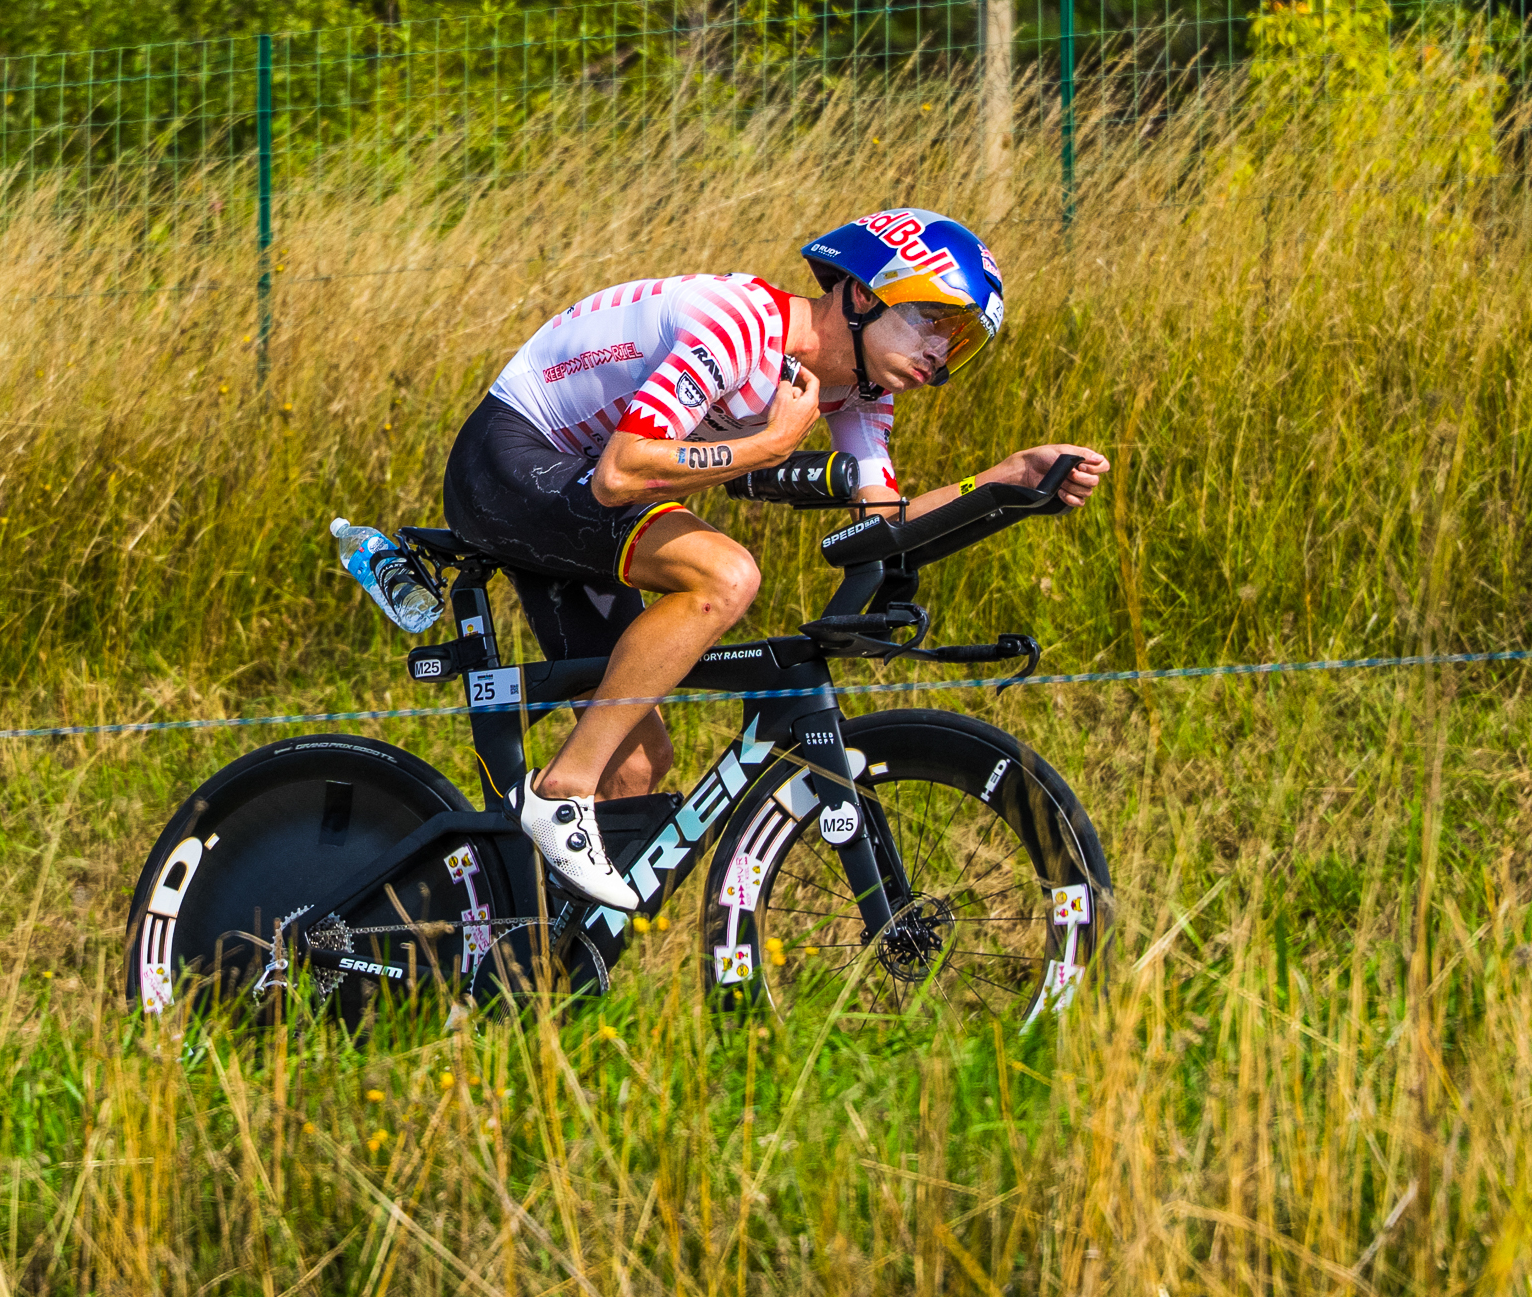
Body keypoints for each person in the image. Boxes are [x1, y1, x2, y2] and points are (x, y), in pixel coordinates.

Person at [441, 208, 1109, 911]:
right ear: (862, 293)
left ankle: (531, 954)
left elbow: (885, 527)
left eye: (958, 339)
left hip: (578, 489)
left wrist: (1005, 481)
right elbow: (620, 474)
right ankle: (560, 791)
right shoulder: (740, 326)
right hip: (510, 462)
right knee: (725, 576)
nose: (939, 352)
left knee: (635, 763)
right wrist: (769, 446)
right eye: (930, 321)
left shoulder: (859, 393)